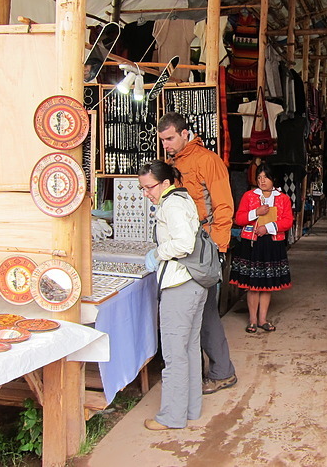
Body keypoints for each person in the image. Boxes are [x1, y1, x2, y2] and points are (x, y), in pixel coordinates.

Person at [158, 112, 237, 395]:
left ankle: (221, 372)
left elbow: (224, 206)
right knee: (197, 313)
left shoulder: (208, 161)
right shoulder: (172, 164)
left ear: (184, 133)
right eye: (162, 139)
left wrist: (218, 249)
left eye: (170, 138)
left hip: (205, 246)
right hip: (186, 245)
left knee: (204, 312)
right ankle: (211, 371)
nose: (166, 144)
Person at [139, 160, 209, 431]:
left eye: (149, 187)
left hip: (180, 286)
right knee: (190, 349)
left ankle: (171, 417)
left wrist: (158, 253)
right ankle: (191, 408)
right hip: (192, 284)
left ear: (165, 183)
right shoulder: (181, 199)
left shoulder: (173, 204)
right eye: (143, 189)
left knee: (174, 354)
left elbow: (183, 243)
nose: (147, 193)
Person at [230, 163, 294, 333]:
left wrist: (268, 228)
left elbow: (288, 221)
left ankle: (262, 319)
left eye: (265, 177)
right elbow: (239, 219)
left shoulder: (283, 198)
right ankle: (252, 319)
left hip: (272, 243)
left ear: (273, 179)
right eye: (259, 177)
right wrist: (256, 212)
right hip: (252, 243)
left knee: (267, 285)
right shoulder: (249, 196)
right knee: (253, 285)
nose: (262, 180)